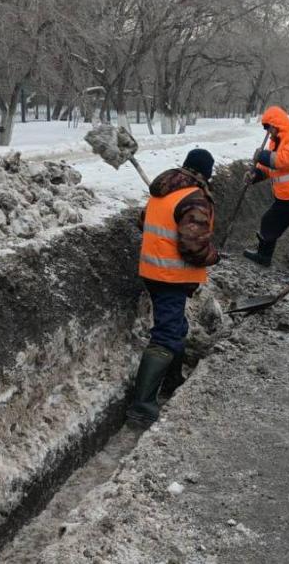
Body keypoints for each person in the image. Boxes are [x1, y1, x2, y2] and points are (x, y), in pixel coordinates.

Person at [127, 149, 219, 426]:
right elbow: (192, 246)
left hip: (152, 270)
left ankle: (172, 381)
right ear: (205, 172)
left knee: (175, 326)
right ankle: (141, 408)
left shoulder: (164, 190)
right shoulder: (194, 198)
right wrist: (212, 255)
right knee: (167, 333)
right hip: (171, 275)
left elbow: (143, 221)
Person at [243, 106, 289, 267]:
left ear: (276, 124)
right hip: (284, 197)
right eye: (266, 128)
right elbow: (270, 167)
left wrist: (262, 155)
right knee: (269, 223)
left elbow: (286, 161)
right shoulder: (275, 140)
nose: (268, 132)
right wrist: (256, 175)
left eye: (269, 128)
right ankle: (263, 256)